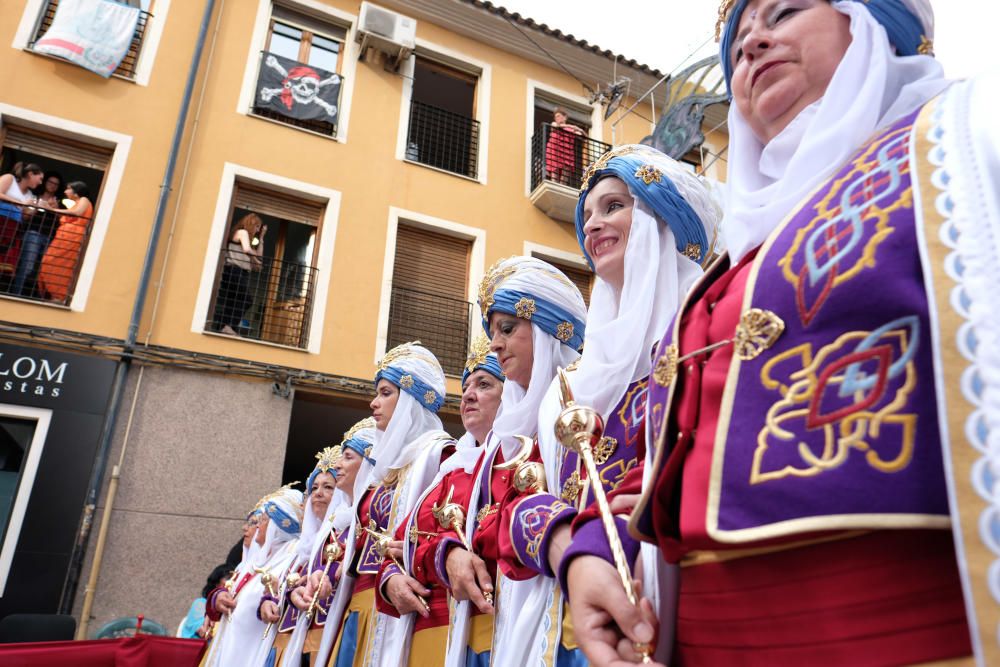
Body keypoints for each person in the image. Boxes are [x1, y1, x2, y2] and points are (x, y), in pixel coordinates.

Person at [566, 1, 985, 665]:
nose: (753, 43)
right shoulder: (727, 273)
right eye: (736, 45)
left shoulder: (970, 150)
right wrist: (592, 552)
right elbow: (665, 467)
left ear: (871, 22)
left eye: (784, 12)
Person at [315, 343, 455, 667]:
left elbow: (442, 527)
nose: (373, 403)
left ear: (409, 398)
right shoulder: (384, 471)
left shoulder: (440, 457)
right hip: (367, 604)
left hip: (410, 604)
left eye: (385, 393)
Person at [381, 334, 504, 666]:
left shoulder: (513, 460)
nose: (468, 397)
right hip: (428, 634)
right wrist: (391, 581)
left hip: (487, 633)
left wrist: (432, 550)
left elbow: (497, 537)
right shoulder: (449, 472)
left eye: (484, 385)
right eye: (465, 390)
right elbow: (398, 545)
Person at [203, 485, 303, 667]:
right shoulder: (257, 561)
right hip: (231, 647)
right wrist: (218, 597)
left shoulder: (291, 560)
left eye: (263, 520)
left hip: (253, 651)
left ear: (277, 527)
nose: (256, 526)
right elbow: (233, 590)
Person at [275, 445, 352, 667]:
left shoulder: (346, 531)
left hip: (331, 633)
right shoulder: (303, 547)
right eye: (314, 487)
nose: (318, 493)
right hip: (297, 636)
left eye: (328, 487)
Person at [36, 180, 93, 303]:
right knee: (48, 262)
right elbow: (68, 215)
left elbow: (77, 213)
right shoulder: (75, 203)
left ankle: (59, 296)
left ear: (76, 192)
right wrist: (52, 208)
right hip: (64, 238)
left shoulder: (84, 200)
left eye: (68, 188)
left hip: (72, 238)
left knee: (58, 264)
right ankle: (54, 295)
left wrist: (51, 209)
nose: (65, 191)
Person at [213, 213, 267, 336]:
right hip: (233, 270)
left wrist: (262, 237)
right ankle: (228, 326)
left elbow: (258, 256)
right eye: (257, 226)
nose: (258, 229)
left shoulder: (248, 238)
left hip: (241, 273)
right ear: (251, 223)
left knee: (233, 301)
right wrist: (254, 260)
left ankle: (224, 327)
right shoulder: (242, 233)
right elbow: (247, 250)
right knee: (246, 299)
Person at [11, 171, 62, 297]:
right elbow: (26, 216)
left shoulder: (60, 203)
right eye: (50, 182)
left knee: (42, 270)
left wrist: (54, 209)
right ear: (45, 183)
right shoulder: (34, 197)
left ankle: (34, 297)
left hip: (50, 238)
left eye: (56, 184)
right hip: (33, 233)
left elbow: (63, 220)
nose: (53, 185)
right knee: (27, 266)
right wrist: (40, 207)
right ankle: (15, 294)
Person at [0, 163, 43, 282]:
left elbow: (25, 217)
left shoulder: (31, 195)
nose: (40, 182)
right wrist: (21, 203)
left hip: (13, 227)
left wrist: (33, 209)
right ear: (30, 174)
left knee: (5, 255)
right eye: (40, 178)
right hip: (1, 218)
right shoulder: (10, 178)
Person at [179, 563, 232, 639]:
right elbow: (204, 632)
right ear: (217, 585)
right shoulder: (201, 603)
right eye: (229, 578)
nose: (232, 582)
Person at [545, 108, 586, 185]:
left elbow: (584, 137)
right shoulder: (555, 124)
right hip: (555, 152)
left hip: (566, 152)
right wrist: (573, 126)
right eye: (556, 117)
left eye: (559, 116)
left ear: (565, 117)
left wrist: (581, 130)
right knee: (554, 171)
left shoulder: (570, 129)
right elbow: (555, 126)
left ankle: (561, 187)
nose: (557, 118)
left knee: (565, 175)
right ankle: (554, 186)